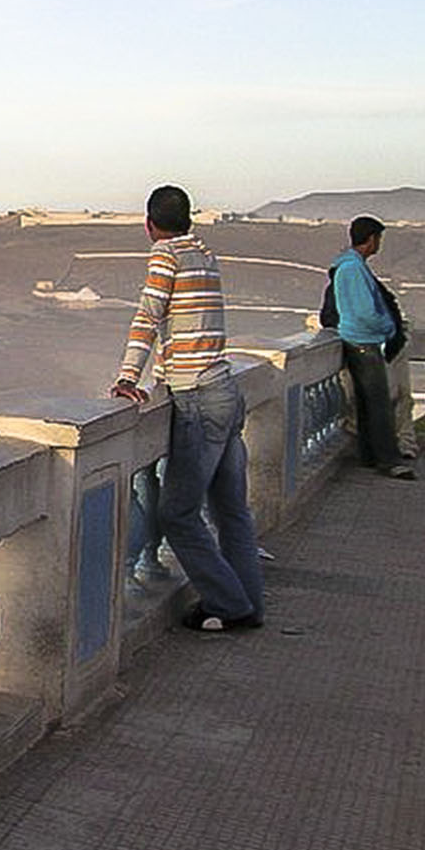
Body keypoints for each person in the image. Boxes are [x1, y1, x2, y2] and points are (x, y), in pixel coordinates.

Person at [108, 185, 265, 631]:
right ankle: (250, 604)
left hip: (195, 396)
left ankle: (228, 603)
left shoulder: (166, 254)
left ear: (149, 224)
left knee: (177, 513)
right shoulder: (205, 254)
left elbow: (148, 316)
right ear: (190, 220)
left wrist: (127, 377)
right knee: (232, 510)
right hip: (225, 389)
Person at [324, 214, 417, 474]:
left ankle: (370, 455)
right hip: (363, 341)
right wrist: (387, 327)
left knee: (367, 404)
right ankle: (389, 460)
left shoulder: (350, 266)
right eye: (379, 238)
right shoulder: (353, 269)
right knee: (379, 403)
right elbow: (364, 312)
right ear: (371, 239)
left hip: (359, 340)